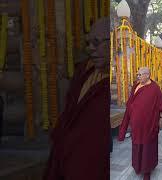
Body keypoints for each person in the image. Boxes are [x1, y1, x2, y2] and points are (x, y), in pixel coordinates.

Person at [43, 18, 110, 180]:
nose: (90, 49)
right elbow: (69, 113)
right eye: (88, 43)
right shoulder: (84, 70)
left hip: (93, 165)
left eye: (96, 42)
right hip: (67, 157)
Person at [118, 67, 162, 180]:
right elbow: (131, 101)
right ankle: (138, 166)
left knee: (147, 148)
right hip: (136, 125)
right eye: (137, 74)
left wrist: (161, 117)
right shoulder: (136, 86)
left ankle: (147, 171)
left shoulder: (155, 88)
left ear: (147, 75)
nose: (138, 77)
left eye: (140, 75)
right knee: (137, 146)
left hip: (149, 125)